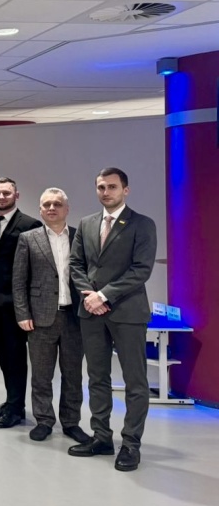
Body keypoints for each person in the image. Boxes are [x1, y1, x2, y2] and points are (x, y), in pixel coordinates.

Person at [68, 168, 157, 472]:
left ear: (125, 190)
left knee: (135, 381)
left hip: (127, 312)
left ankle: (131, 444)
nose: (106, 192)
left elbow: (141, 269)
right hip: (91, 313)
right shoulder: (86, 223)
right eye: (101, 187)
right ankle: (101, 437)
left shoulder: (142, 224)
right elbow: (76, 265)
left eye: (112, 187)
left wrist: (103, 295)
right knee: (97, 377)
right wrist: (89, 296)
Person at [13, 188, 89, 444]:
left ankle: (71, 422)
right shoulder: (27, 238)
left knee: (73, 375)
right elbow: (19, 281)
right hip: (40, 318)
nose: (52, 208)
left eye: (57, 204)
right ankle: (44, 420)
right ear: (40, 209)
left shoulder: (80, 237)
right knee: (41, 375)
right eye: (47, 204)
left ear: (67, 209)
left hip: (74, 318)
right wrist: (22, 313)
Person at [0, 177, 41, 429]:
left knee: (15, 357)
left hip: (15, 303)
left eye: (6, 193)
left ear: (17, 195)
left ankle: (16, 409)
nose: (1, 197)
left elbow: (34, 267)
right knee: (2, 355)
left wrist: (26, 304)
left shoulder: (30, 225)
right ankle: (11, 401)